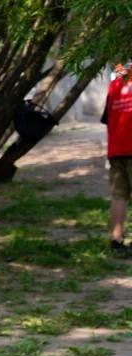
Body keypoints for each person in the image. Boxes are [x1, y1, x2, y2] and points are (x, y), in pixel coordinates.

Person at [103, 63, 132, 256]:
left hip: (117, 149)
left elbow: (107, 117)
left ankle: (116, 240)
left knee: (119, 196)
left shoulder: (115, 83)